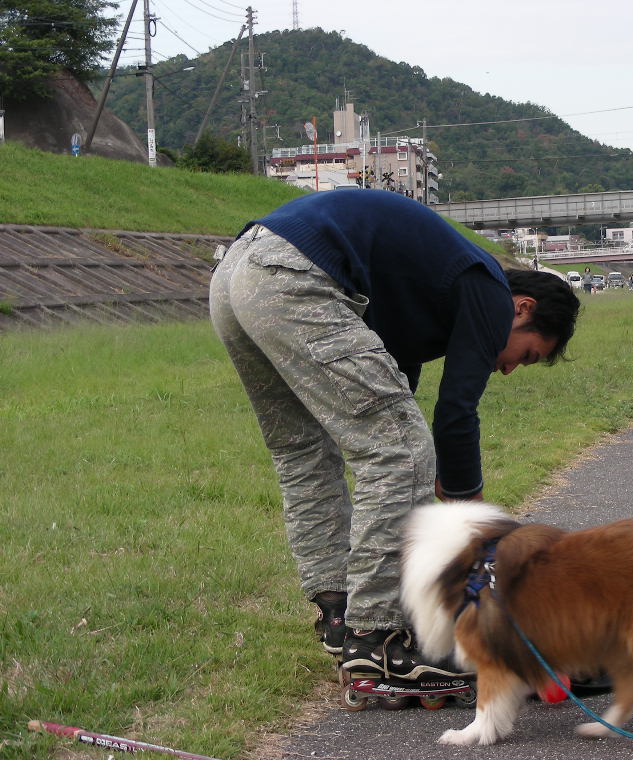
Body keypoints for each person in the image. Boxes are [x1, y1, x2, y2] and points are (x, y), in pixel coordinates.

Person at [208, 189, 580, 688]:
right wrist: (466, 505)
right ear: (521, 307)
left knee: (304, 451)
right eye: (527, 354)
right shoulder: (488, 288)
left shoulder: (429, 291)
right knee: (400, 451)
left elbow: (395, 389)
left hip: (236, 276)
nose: (510, 368)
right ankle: (380, 636)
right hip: (291, 274)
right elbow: (455, 411)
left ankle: (340, 615)